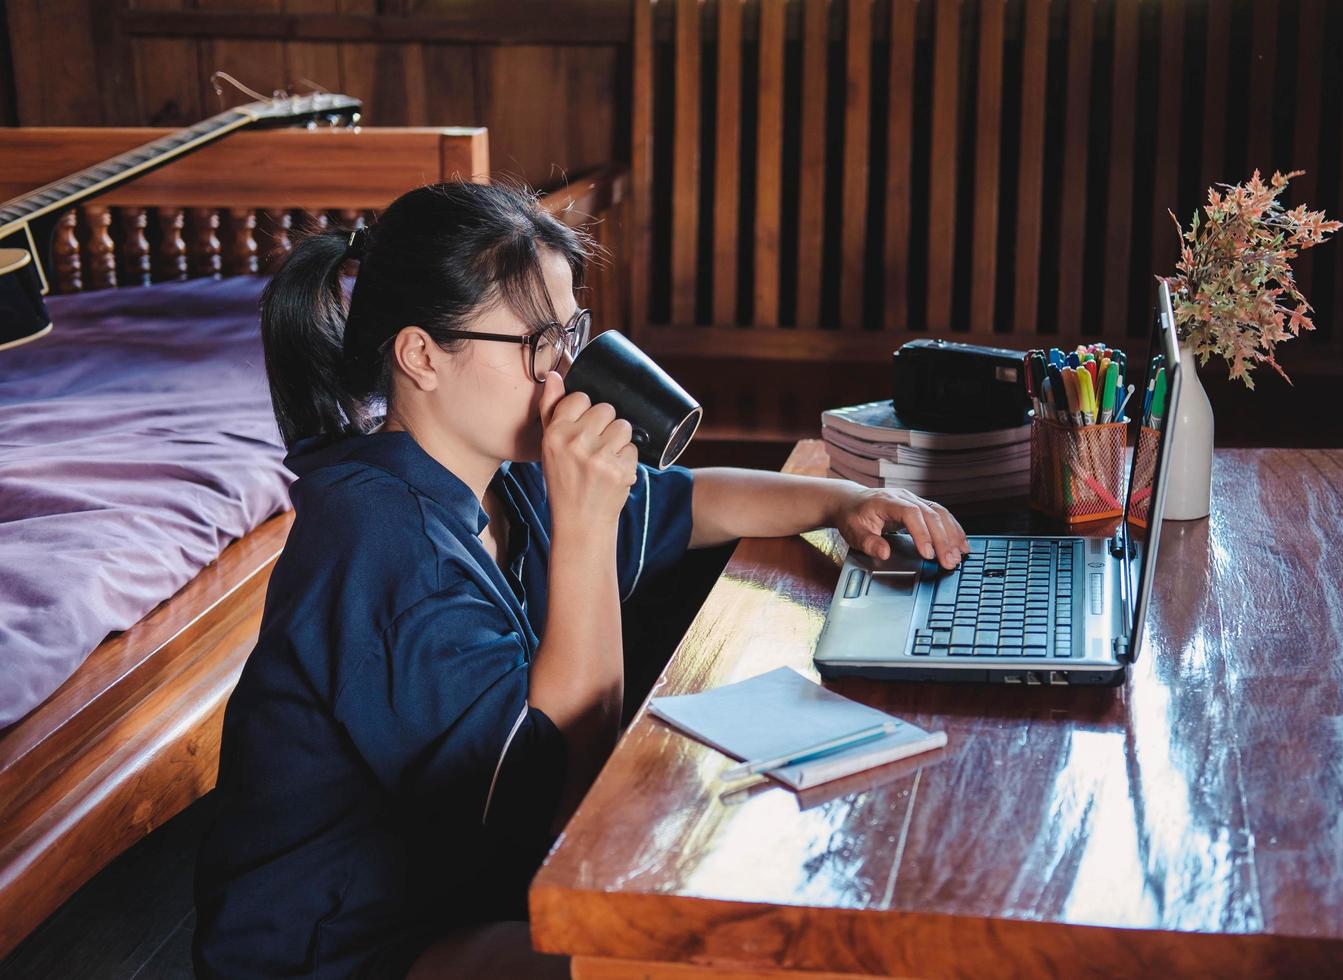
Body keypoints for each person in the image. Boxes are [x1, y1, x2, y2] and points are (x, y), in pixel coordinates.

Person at [192, 180, 970, 979]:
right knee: (688, 954)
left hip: (464, 884)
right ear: (421, 355)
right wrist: (588, 526)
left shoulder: (506, 470)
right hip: (347, 946)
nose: (565, 372)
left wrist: (845, 501)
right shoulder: (384, 543)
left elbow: (692, 499)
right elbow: (557, 787)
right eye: (536, 345)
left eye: (571, 333)